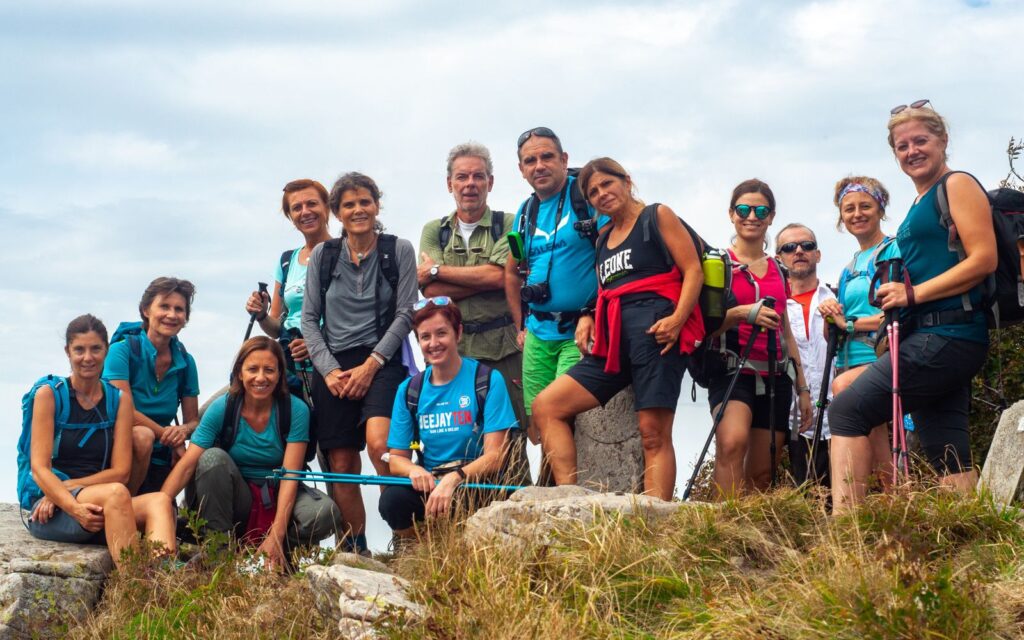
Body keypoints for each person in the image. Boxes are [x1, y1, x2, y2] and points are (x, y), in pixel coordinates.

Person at [828, 101, 995, 511]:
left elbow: (983, 258)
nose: (912, 151)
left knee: (848, 409)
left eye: (921, 140)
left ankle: (847, 534)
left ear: (943, 140)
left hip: (949, 334)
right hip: (939, 334)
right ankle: (971, 540)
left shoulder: (956, 185)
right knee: (947, 449)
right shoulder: (920, 204)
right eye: (902, 146)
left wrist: (912, 296)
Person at [531, 158, 703, 500]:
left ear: (626, 180)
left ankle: (657, 518)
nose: (601, 194)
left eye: (607, 184)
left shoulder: (657, 216)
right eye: (593, 192)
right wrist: (588, 315)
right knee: (547, 406)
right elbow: (605, 289)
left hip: (657, 334)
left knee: (653, 433)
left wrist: (678, 319)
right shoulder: (604, 236)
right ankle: (570, 499)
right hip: (612, 342)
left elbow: (693, 270)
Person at [302, 172, 417, 555]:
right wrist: (329, 370)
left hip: (382, 360)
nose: (358, 210)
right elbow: (308, 319)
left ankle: (405, 538)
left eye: (365, 201)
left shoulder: (398, 249)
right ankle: (356, 547)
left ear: (377, 205)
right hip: (333, 364)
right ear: (337, 212)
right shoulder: (324, 255)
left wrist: (371, 365)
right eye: (349, 204)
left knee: (381, 445)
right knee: (340, 460)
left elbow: (405, 314)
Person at [160, 337, 342, 570]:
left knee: (324, 514)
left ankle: (275, 553)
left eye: (269, 370)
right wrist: (161, 504)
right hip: (235, 497)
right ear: (240, 373)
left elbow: (290, 476)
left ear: (279, 375)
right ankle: (219, 557)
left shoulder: (295, 410)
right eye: (252, 369)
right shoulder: (223, 407)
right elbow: (188, 464)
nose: (260, 378)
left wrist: (276, 534)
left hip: (277, 493)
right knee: (212, 459)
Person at [20, 315, 176, 568]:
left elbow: (121, 472)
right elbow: (39, 468)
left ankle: (165, 582)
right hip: (52, 509)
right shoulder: (50, 395)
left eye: (95, 349)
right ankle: (136, 587)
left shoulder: (119, 400)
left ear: (106, 350)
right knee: (116, 493)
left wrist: (70, 486)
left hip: (99, 502)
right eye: (79, 350)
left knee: (159, 500)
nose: (87, 357)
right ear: (67, 352)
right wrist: (72, 505)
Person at [417, 142, 531, 485]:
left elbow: (501, 276)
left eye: (478, 176)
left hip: (505, 348)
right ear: (449, 184)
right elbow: (431, 291)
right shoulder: (434, 230)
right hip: (454, 350)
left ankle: (517, 513)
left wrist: (440, 271)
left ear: (490, 182)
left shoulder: (510, 222)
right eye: (462, 177)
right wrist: (489, 277)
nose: (470, 184)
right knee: (457, 434)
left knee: (511, 436)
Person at [504, 127, 608, 466]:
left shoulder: (586, 199)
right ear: (521, 169)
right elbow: (511, 269)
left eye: (547, 156)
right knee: (537, 422)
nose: (539, 165)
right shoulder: (525, 212)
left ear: (564, 159)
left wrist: (592, 311)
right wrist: (520, 323)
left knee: (560, 410)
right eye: (530, 160)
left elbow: (615, 254)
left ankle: (568, 495)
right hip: (538, 332)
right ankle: (554, 490)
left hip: (577, 330)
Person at [380, 298, 518, 542]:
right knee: (392, 501)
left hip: (476, 482)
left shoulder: (487, 380)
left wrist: (455, 479)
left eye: (441, 333)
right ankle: (421, 548)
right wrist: (414, 471)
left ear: (459, 333)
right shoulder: (409, 390)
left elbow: (496, 458)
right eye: (425, 337)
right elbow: (397, 460)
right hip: (431, 482)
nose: (433, 344)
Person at [709, 179, 812, 498]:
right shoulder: (717, 265)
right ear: (731, 214)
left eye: (760, 210)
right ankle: (719, 530)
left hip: (776, 375)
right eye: (743, 209)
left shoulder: (780, 271)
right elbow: (704, 326)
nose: (751, 216)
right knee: (731, 443)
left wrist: (802, 386)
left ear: (771, 216)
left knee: (764, 469)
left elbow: (786, 331)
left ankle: (750, 535)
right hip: (731, 369)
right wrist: (743, 313)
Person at [816, 176, 901, 491]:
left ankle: (877, 500)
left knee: (850, 397)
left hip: (883, 355)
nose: (857, 214)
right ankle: (886, 502)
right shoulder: (849, 267)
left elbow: (893, 312)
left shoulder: (892, 250)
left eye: (865, 206)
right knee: (874, 430)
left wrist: (848, 323)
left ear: (881, 208)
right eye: (848, 208)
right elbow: (837, 331)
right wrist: (832, 317)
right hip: (850, 358)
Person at [103, 277, 199, 495]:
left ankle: (171, 506)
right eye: (164, 306)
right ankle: (126, 507)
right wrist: (172, 439)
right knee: (143, 436)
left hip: (160, 456)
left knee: (201, 452)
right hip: (119, 450)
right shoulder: (122, 351)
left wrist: (182, 431)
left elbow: (193, 420)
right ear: (146, 310)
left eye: (179, 309)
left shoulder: (185, 361)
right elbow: (122, 410)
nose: (172, 315)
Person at [244, 179, 334, 396]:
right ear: (290, 217)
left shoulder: (344, 253)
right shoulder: (287, 261)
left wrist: (314, 346)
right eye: (296, 208)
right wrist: (261, 314)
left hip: (330, 367)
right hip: (289, 367)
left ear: (327, 207)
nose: (305, 212)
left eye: (312, 204)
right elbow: (275, 329)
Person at [774, 223, 836, 486]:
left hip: (838, 416)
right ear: (779, 258)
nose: (798, 251)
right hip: (790, 419)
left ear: (818, 255)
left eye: (806, 245)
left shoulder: (835, 297)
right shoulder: (774, 306)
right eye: (789, 247)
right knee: (801, 494)